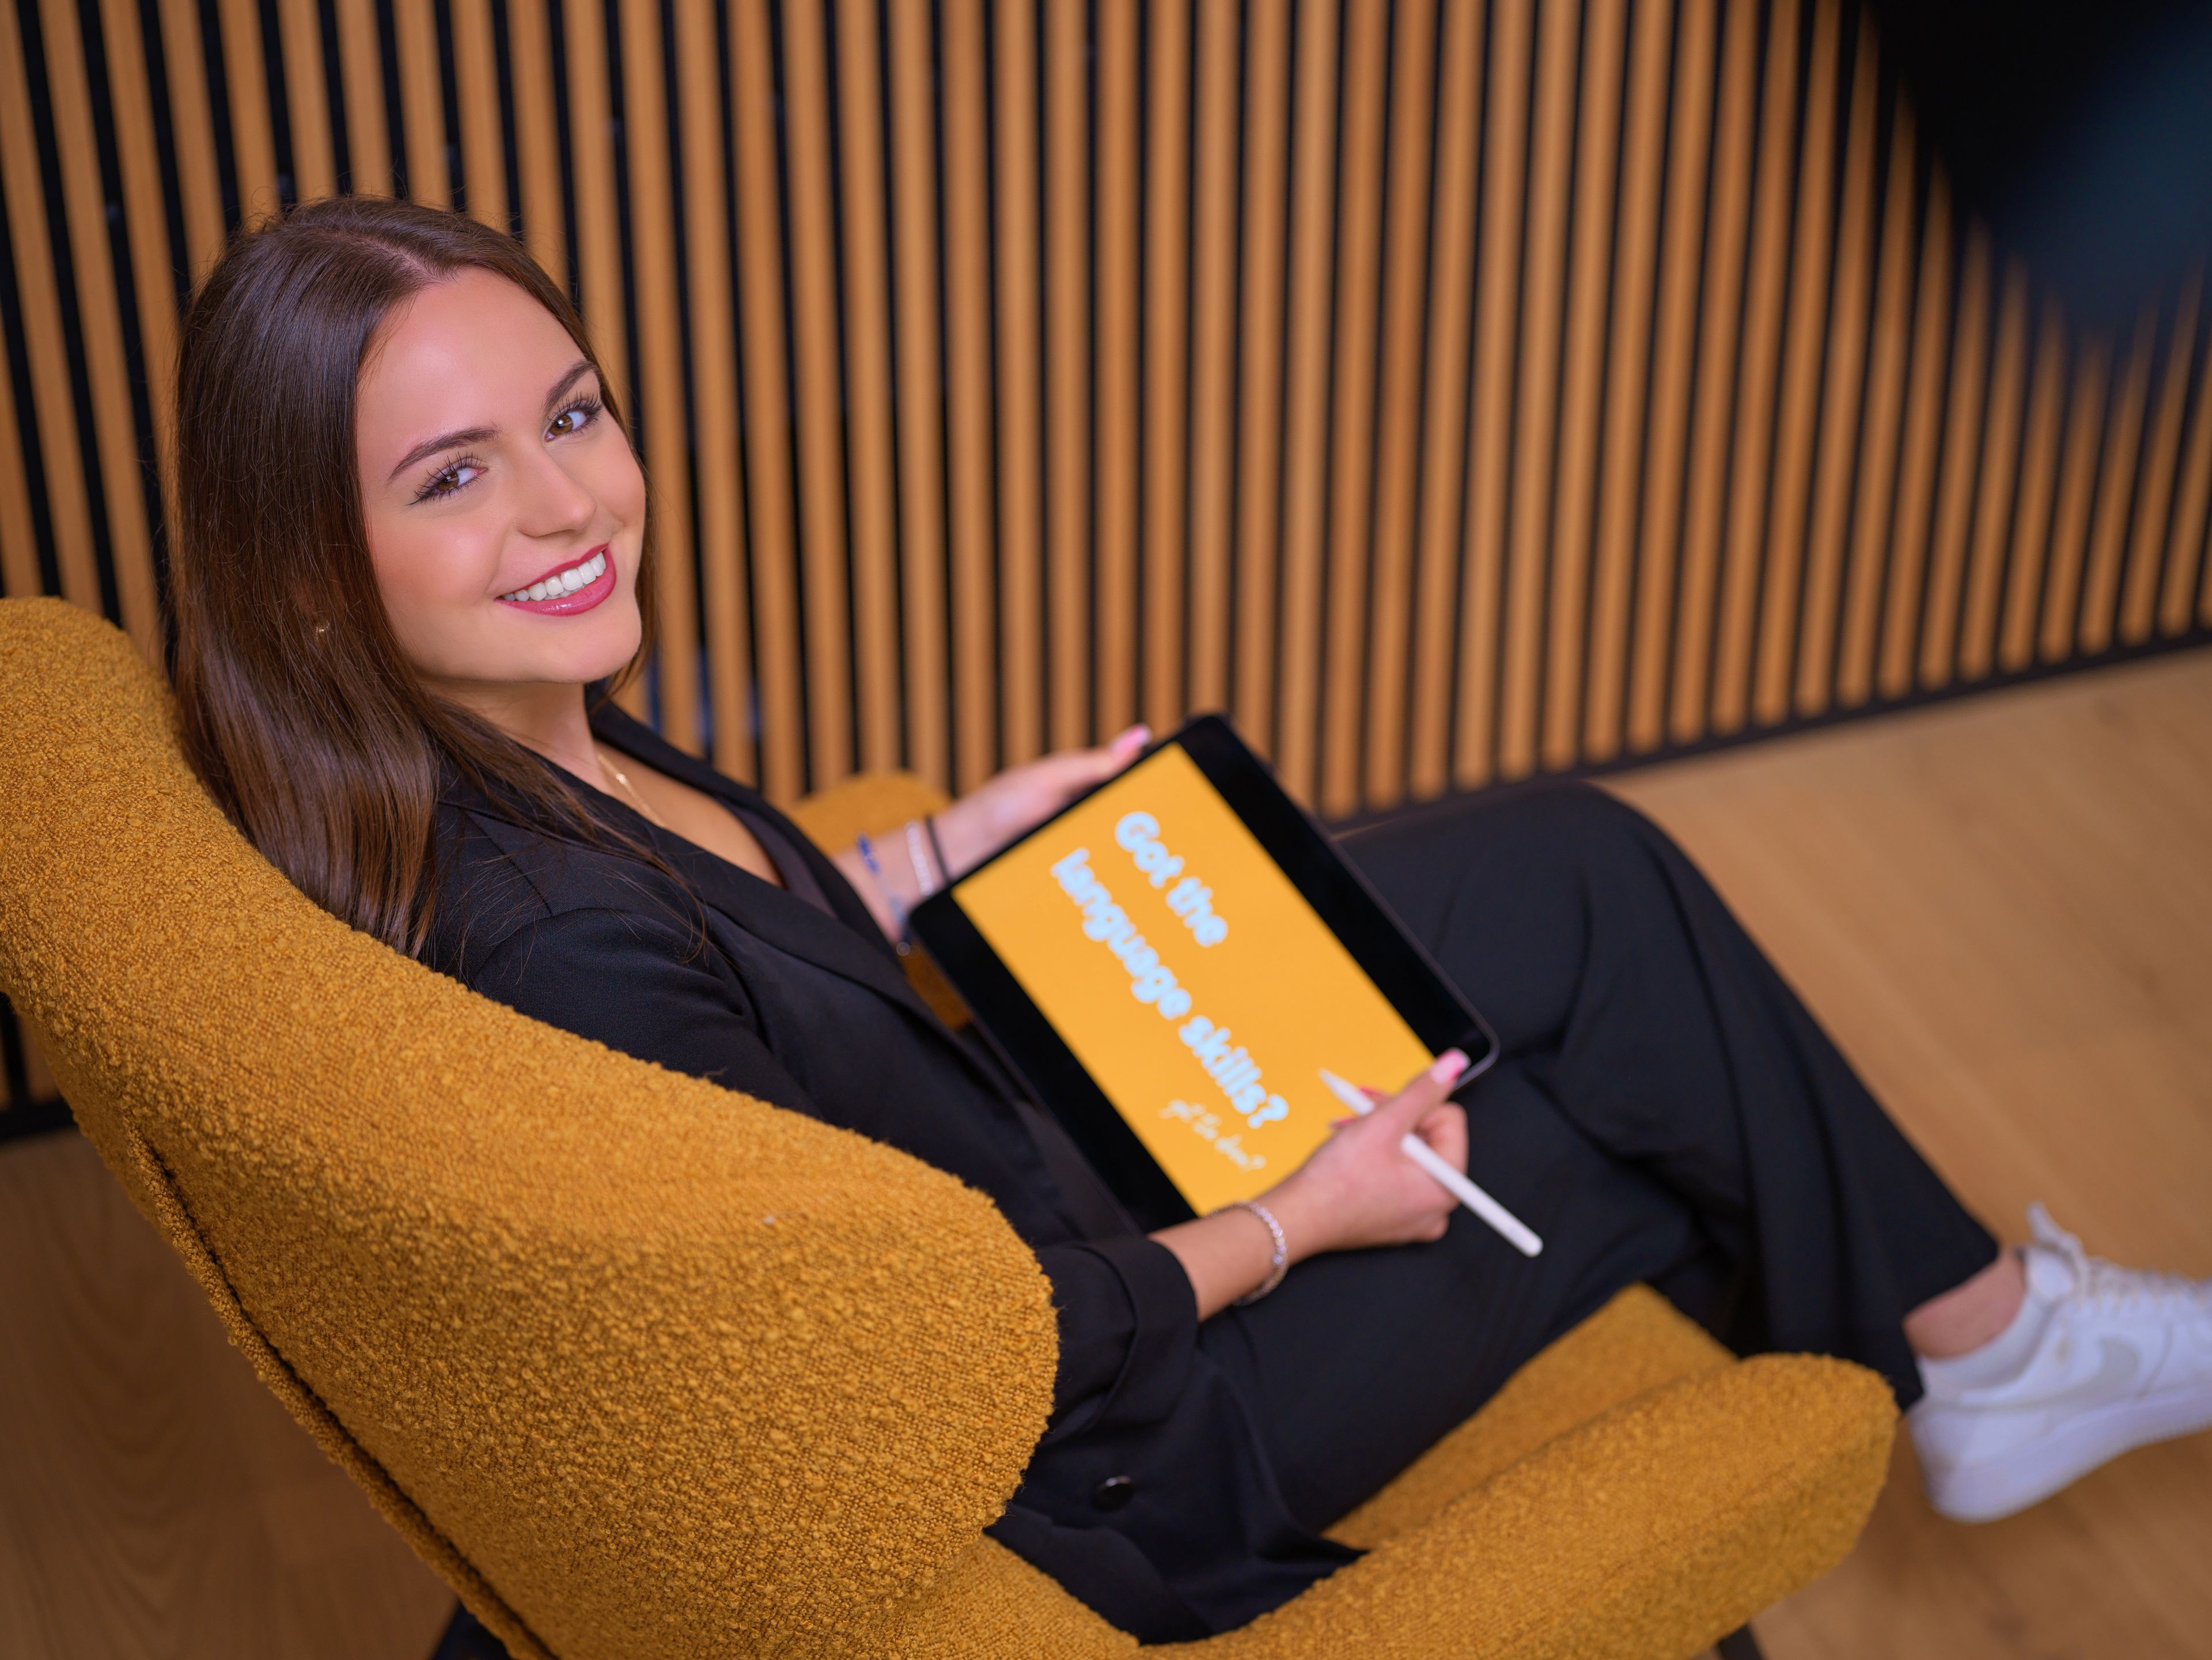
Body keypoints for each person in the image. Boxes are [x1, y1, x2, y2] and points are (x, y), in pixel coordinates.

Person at [168, 196, 2212, 1642]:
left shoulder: (522, 742)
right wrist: (1299, 1220)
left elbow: (733, 969)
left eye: (574, 413)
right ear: (316, 573)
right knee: (1636, 1141)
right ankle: (1979, 1356)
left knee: (1577, 875)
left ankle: (1986, 1341)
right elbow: (929, 1361)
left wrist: (939, 850)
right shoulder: (547, 947)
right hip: (1098, 1426)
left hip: (988, 1146)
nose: (567, 504)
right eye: (451, 477)